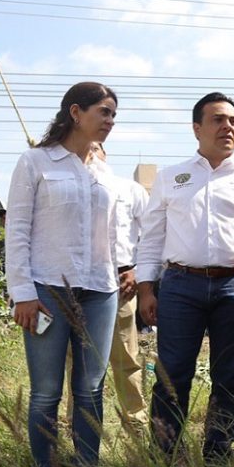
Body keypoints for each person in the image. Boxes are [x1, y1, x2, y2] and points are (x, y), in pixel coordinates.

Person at [138, 92, 234, 463]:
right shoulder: (172, 177)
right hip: (179, 286)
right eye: (218, 120)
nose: (228, 127)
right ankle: (166, 455)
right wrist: (145, 289)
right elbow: (152, 236)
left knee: (229, 373)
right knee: (172, 373)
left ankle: (219, 454)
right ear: (197, 128)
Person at [5, 82, 121, 467]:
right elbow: (17, 229)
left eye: (113, 115)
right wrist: (22, 293)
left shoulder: (104, 172)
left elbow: (113, 232)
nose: (109, 121)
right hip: (45, 291)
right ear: (76, 112)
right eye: (103, 112)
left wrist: (127, 271)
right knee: (46, 392)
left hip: (100, 291)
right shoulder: (36, 162)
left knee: (90, 389)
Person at [90, 141, 151, 434]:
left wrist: (138, 270)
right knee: (79, 363)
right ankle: (81, 429)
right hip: (76, 286)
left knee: (126, 358)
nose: (89, 151)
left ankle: (136, 425)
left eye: (96, 147)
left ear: (105, 152)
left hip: (121, 283)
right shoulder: (64, 189)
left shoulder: (130, 190)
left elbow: (153, 233)